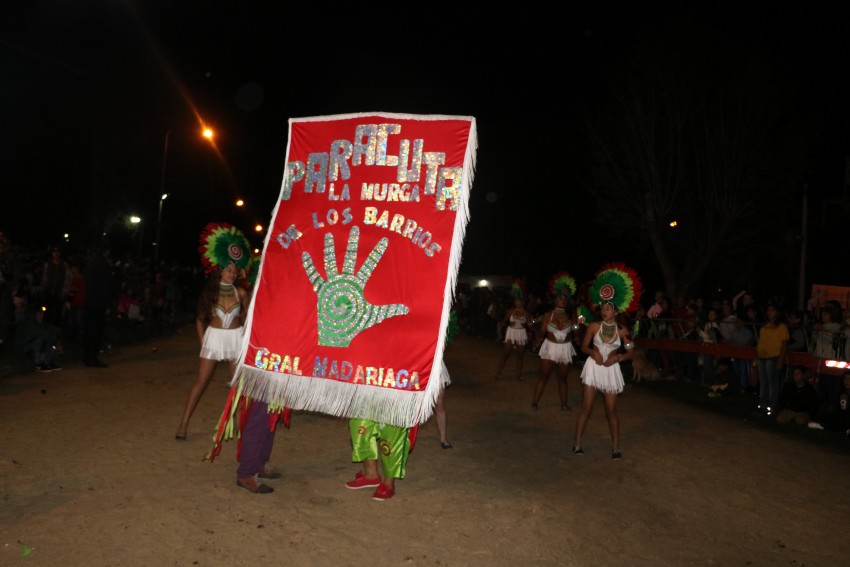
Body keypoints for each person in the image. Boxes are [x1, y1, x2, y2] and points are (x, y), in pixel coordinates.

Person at [573, 263, 642, 460]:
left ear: (616, 312)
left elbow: (631, 352)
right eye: (603, 307)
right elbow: (583, 347)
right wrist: (592, 353)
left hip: (611, 370)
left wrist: (619, 357)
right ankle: (577, 444)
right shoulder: (594, 326)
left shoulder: (623, 331)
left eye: (609, 308)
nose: (605, 310)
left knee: (611, 410)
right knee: (587, 407)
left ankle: (616, 448)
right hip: (593, 368)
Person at [175, 261, 251, 440]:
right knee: (201, 382)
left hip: (235, 338)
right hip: (214, 338)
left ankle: (239, 425)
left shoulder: (240, 293)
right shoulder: (211, 293)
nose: (232, 274)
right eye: (229, 270)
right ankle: (183, 423)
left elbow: (246, 319)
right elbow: (200, 319)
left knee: (237, 385)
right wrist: (204, 343)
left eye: (235, 271)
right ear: (220, 271)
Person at [531, 273, 579, 411]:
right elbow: (542, 330)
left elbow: (575, 327)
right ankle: (535, 402)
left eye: (564, 298)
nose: (562, 300)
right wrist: (538, 338)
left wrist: (577, 334)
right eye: (559, 297)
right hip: (550, 347)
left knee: (562, 378)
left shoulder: (571, 314)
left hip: (565, 348)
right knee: (544, 375)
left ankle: (564, 404)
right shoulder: (548, 315)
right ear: (555, 300)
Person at [82, 247, 113, 368]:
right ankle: (92, 358)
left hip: (89, 302)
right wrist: (107, 304)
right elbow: (106, 287)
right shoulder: (104, 266)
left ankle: (86, 356)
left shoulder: (90, 264)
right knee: (96, 331)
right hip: (98, 303)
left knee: (88, 330)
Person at [756, 303, 789, 415]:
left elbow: (784, 344)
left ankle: (771, 406)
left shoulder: (782, 326)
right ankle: (762, 405)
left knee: (772, 382)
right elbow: (761, 341)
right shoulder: (765, 325)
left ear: (777, 312)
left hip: (773, 356)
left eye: (772, 310)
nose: (769, 312)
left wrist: (780, 360)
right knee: (763, 382)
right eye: (768, 310)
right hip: (762, 356)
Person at [14, 304, 63, 372]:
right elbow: (41, 334)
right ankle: (39, 363)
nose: (41, 315)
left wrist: (57, 342)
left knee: (49, 340)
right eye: (39, 313)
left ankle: (47, 362)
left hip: (31, 344)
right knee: (41, 341)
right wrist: (56, 344)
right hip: (23, 346)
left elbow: (55, 330)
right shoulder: (28, 324)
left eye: (42, 313)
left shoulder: (39, 323)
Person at [494, 290, 531, 381]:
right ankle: (498, 373)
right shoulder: (510, 311)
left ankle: (519, 375)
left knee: (520, 355)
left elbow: (530, 324)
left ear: (523, 302)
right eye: (516, 301)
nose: (517, 303)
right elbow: (503, 322)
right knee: (505, 353)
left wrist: (525, 325)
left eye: (519, 301)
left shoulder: (526, 313)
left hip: (521, 333)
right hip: (511, 332)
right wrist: (507, 324)